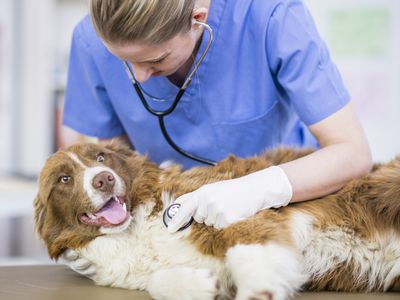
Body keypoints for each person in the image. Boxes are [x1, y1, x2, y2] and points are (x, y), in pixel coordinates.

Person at [64, 0, 372, 234]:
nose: (141, 77)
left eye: (156, 60)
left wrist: (256, 189)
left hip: (287, 211)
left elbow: (353, 153)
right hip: (173, 219)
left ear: (198, 20)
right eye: (124, 61)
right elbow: (118, 165)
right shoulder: (91, 39)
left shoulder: (272, 17)